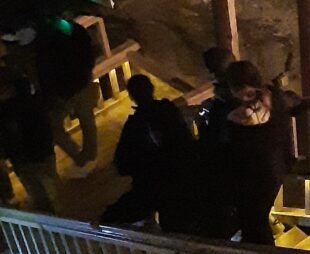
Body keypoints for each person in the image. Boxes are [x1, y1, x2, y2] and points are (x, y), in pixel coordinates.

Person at [103, 74, 197, 233]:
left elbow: (121, 163)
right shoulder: (169, 111)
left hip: (155, 183)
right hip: (182, 175)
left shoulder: (135, 125)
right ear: (152, 89)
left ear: (132, 96)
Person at [225, 60, 294, 245]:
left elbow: (242, 143)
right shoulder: (274, 97)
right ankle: (261, 249)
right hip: (275, 166)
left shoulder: (244, 112)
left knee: (253, 216)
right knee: (255, 217)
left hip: (261, 170)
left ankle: (261, 253)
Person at [33, 18, 98, 178]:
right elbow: (89, 54)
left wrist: (49, 94)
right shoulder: (77, 31)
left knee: (54, 127)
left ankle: (81, 159)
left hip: (63, 92)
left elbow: (44, 70)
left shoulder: (44, 39)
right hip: (82, 82)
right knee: (87, 119)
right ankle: (89, 156)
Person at [0, 68, 57, 213]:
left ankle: (50, 217)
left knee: (38, 193)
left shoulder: (7, 112)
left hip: (24, 158)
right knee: (49, 189)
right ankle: (55, 215)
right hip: (42, 153)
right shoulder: (32, 100)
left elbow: (9, 137)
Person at [196, 47, 237, 239]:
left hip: (227, 162)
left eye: (214, 70)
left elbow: (218, 137)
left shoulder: (228, 102)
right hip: (235, 160)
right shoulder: (238, 95)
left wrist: (203, 129)